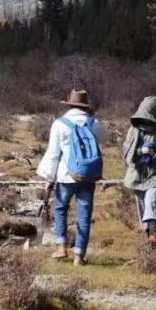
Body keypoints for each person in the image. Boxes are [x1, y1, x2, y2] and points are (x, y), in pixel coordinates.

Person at [37, 89, 105, 266]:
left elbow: (53, 153)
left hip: (66, 176)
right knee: (84, 215)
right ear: (85, 106)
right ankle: (79, 256)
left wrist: (49, 179)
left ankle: (61, 247)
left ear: (69, 104)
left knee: (60, 208)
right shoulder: (94, 123)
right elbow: (105, 138)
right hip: (88, 177)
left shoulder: (59, 124)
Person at [122, 96, 156, 245]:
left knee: (151, 199)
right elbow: (127, 156)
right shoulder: (134, 131)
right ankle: (148, 238)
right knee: (142, 206)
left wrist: (155, 154)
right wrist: (140, 151)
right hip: (138, 175)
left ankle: (153, 233)